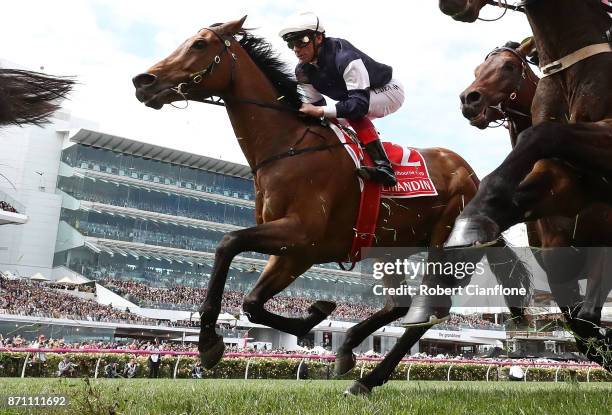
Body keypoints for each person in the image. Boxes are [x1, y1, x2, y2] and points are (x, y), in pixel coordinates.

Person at [279, 12, 405, 187]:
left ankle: (385, 168)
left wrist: (320, 111)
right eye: (291, 44)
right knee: (327, 121)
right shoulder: (303, 71)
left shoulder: (344, 56)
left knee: (352, 112)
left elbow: (358, 106)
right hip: (358, 98)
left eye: (302, 41)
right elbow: (316, 107)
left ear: (318, 38)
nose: (296, 49)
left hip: (388, 91)